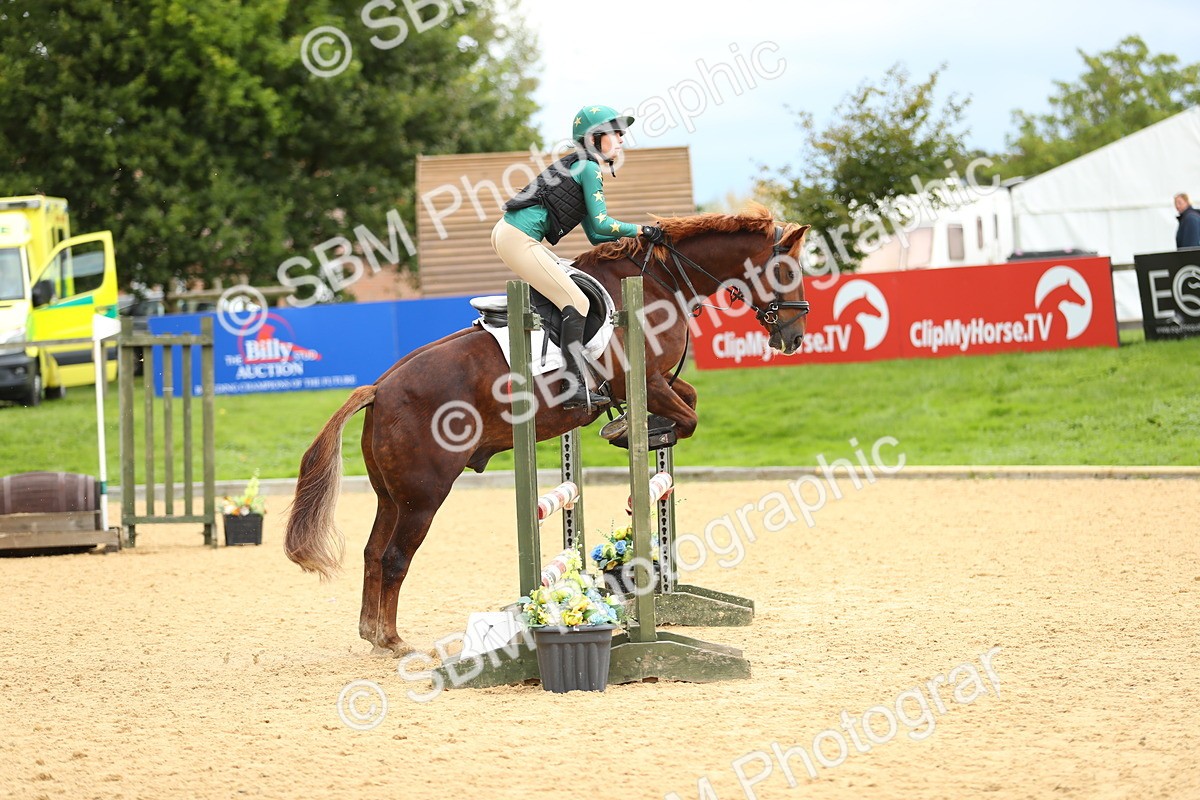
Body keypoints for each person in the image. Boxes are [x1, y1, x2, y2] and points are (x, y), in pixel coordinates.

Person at [492, 104, 665, 410]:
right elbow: (603, 224)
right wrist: (643, 230)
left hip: (510, 234)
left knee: (571, 292)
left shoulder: (581, 164)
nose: (622, 138)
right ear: (595, 137)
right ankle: (571, 386)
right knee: (577, 301)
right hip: (518, 238)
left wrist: (633, 238)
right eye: (615, 132)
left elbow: (596, 235)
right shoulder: (589, 167)